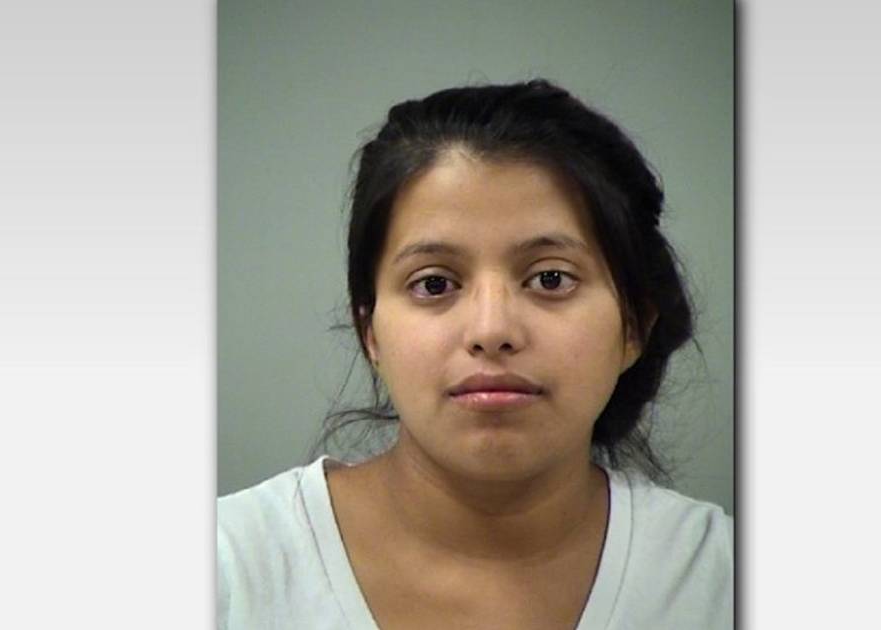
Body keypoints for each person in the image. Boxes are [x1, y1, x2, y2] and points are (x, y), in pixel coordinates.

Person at [217, 79, 733, 629]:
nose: (491, 330)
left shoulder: (722, 575)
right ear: (370, 332)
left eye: (550, 278)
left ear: (635, 326)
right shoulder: (228, 566)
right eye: (434, 284)